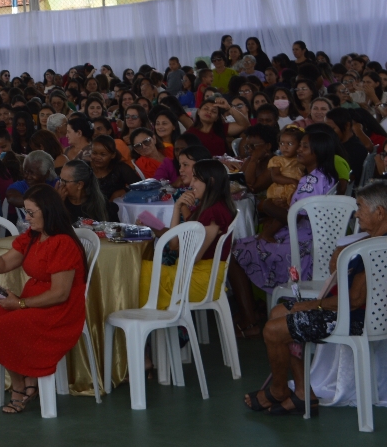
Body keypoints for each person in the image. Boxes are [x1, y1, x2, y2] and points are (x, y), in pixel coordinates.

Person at [243, 181, 387, 417]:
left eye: (360, 207)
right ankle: (303, 393)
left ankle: (279, 390)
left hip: (354, 319)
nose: (356, 214)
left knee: (273, 330)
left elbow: (353, 300)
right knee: (279, 312)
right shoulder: (371, 242)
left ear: (379, 212)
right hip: (355, 313)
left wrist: (309, 305)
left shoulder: (374, 249)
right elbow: (338, 276)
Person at [0, 184, 89, 414]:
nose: (27, 218)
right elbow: (4, 262)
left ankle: (20, 387)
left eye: (31, 213)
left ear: (48, 211)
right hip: (34, 301)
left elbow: (60, 293)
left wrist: (20, 304)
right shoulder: (33, 237)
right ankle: (26, 381)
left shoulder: (63, 242)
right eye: (26, 212)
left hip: (59, 310)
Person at [230, 130, 340, 336]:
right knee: (250, 243)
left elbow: (296, 216)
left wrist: (267, 206)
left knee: (236, 251)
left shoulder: (312, 180)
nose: (299, 150)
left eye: (305, 147)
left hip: (302, 246)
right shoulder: (325, 175)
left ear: (318, 152)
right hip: (314, 241)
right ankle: (255, 310)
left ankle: (249, 319)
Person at [139, 160, 236, 307]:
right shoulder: (207, 208)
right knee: (139, 269)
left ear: (211, 181)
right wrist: (178, 207)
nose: (191, 184)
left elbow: (193, 257)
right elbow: (174, 244)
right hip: (190, 273)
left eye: (196, 179)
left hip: (200, 280)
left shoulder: (214, 212)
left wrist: (178, 244)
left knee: (139, 271)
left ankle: (146, 319)